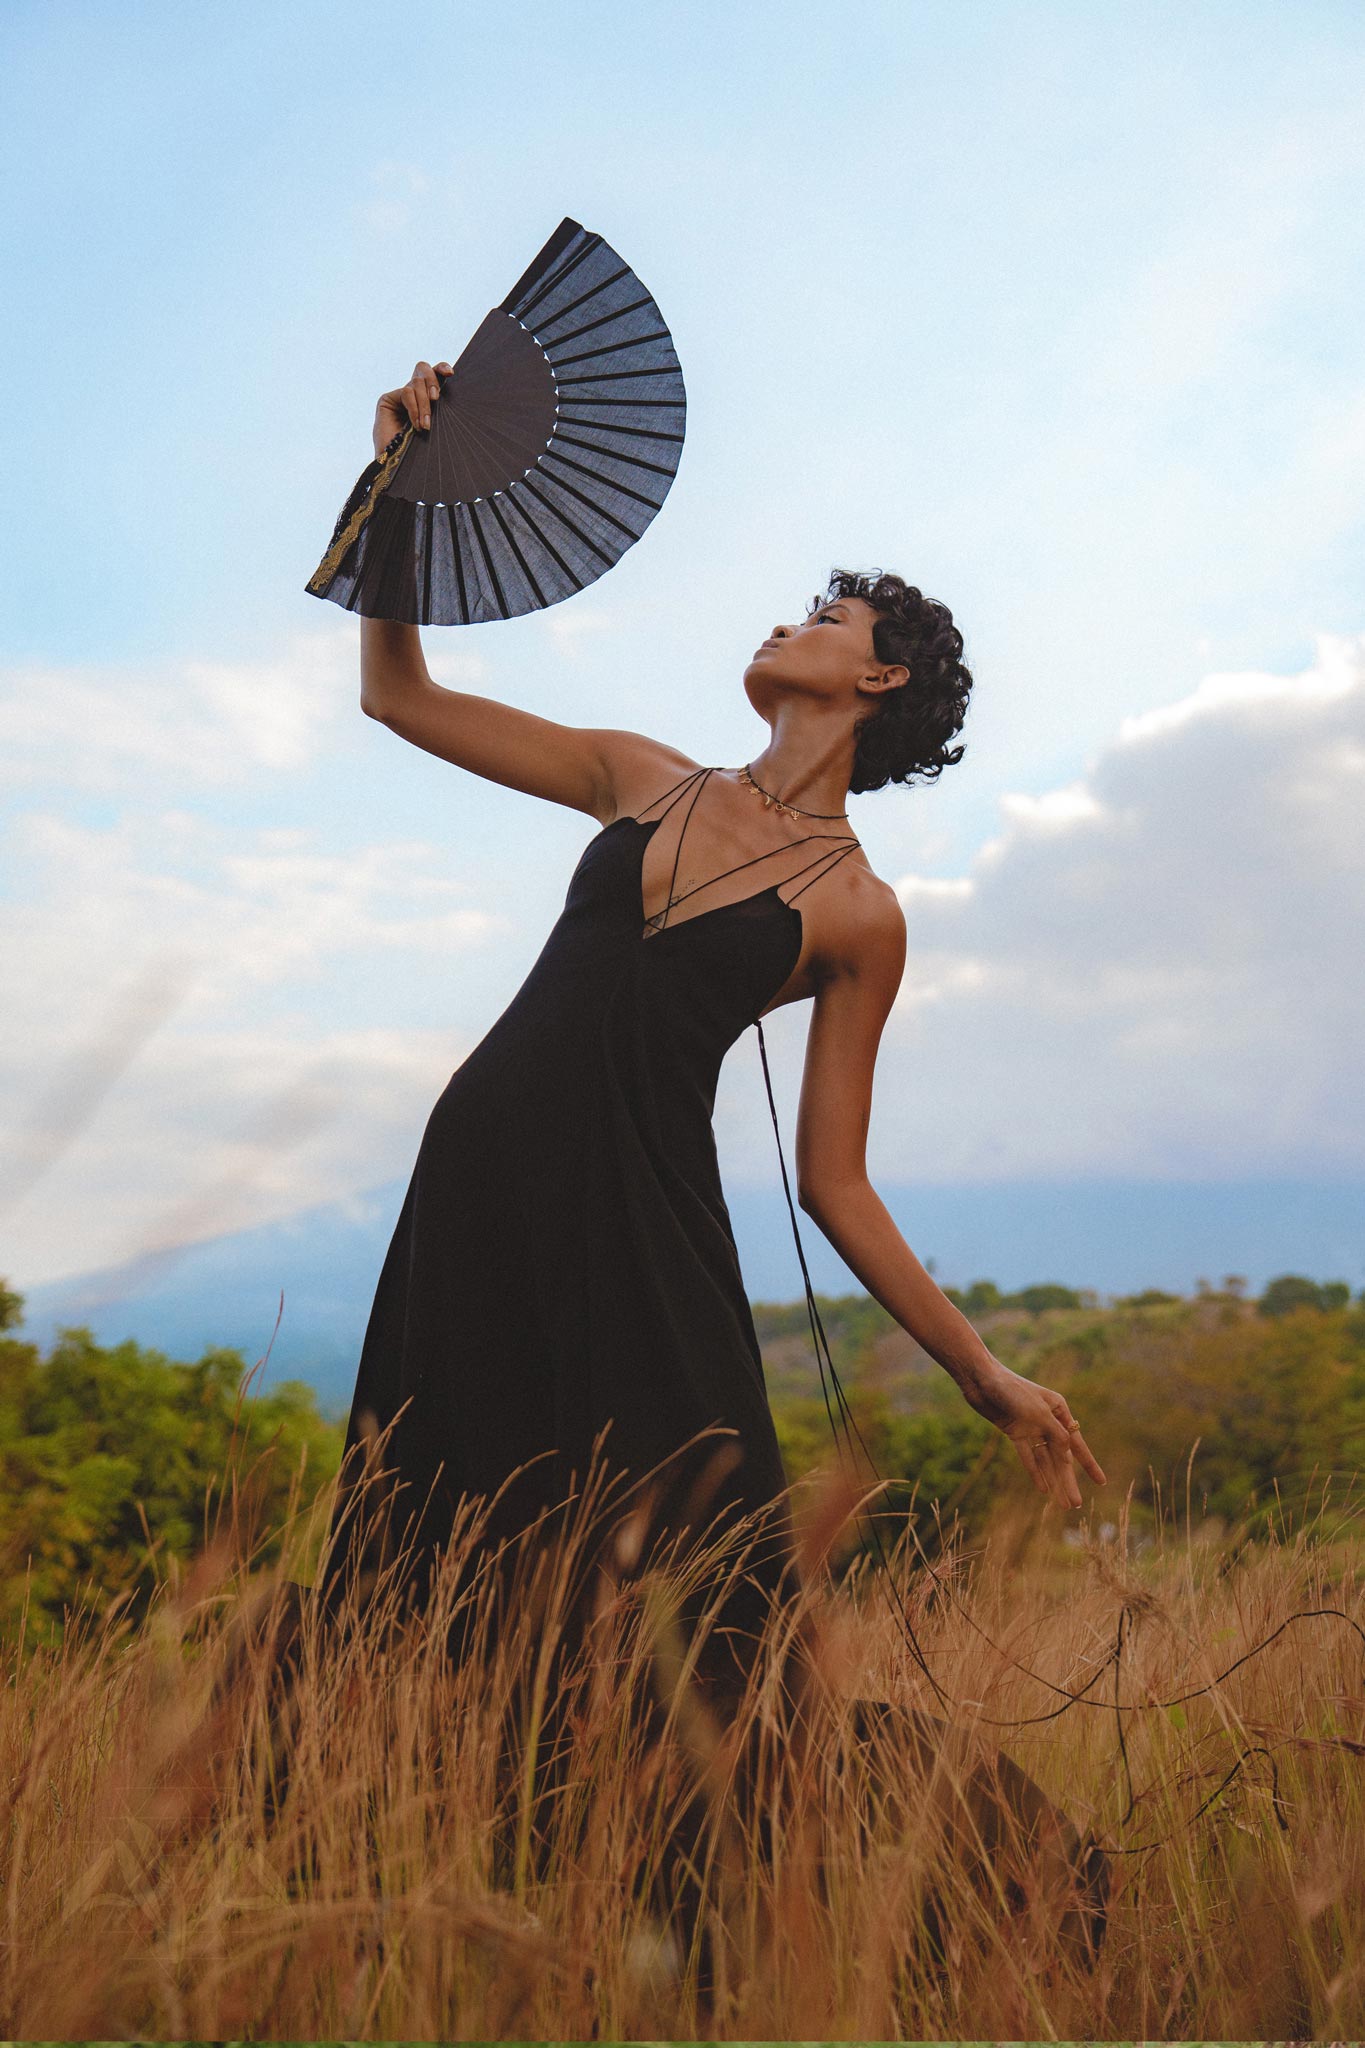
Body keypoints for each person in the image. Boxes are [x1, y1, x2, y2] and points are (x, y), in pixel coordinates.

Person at [296, 357, 1111, 1965]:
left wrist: (986, 1375)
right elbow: (397, 698)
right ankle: (431, 1885)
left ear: (875, 685)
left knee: (709, 1586)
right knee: (429, 1534)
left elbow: (835, 1183)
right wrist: (395, 491)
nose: (790, 620)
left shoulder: (861, 919)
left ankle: (807, 1926)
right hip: (477, 1190)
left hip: (645, 1231)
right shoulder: (635, 772)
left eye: (826, 614)